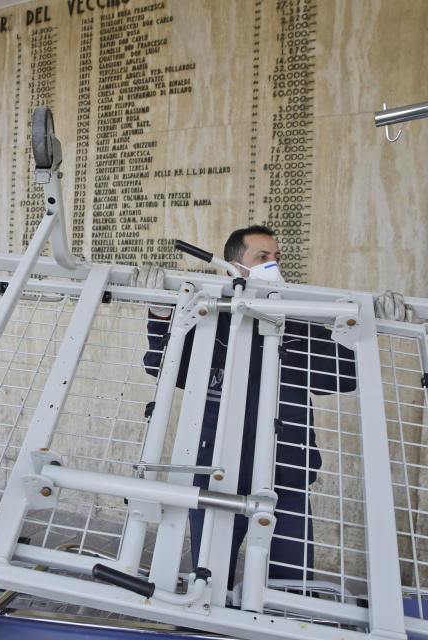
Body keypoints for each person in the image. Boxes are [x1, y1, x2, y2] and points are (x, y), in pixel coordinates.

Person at [138, 225, 356, 588]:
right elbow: (161, 364)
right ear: (232, 265)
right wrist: (160, 313)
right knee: (209, 581)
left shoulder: (296, 319)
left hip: (286, 473)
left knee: (292, 585)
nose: (273, 265)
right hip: (218, 473)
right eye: (262, 258)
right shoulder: (209, 319)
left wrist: (358, 332)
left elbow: (343, 376)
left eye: (276, 258)